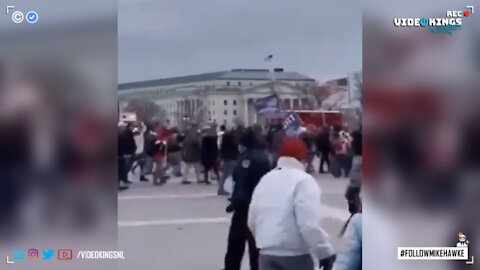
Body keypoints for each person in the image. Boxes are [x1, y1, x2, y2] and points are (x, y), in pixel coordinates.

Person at [248, 136, 335, 270]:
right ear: (303, 158)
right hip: (296, 255)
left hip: (266, 253)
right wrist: (324, 252)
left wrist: (264, 239)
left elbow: (252, 219)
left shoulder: (265, 179)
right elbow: (308, 224)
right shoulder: (304, 181)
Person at [223, 128, 271, 270]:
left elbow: (242, 183)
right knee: (256, 244)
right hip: (261, 205)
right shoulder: (264, 155)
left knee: (236, 243)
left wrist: (235, 202)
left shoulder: (248, 159)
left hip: (246, 206)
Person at [219, 129, 238, 196]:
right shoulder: (233, 143)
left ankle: (221, 189)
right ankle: (222, 189)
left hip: (226, 159)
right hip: (231, 159)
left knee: (225, 175)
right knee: (230, 175)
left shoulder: (224, 143)